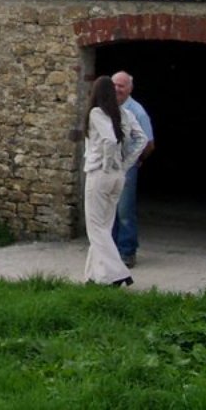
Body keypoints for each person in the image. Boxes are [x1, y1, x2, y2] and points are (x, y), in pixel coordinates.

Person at [83, 75, 147, 286]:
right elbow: (142, 139)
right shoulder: (124, 113)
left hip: (100, 174)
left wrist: (109, 163)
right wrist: (124, 165)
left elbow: (110, 140)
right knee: (104, 226)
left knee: (96, 229)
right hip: (117, 177)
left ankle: (118, 273)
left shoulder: (96, 113)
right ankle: (93, 276)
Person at [111, 70, 155, 268]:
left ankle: (127, 252)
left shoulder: (137, 111)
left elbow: (149, 143)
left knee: (124, 211)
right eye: (114, 85)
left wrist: (135, 160)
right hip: (108, 167)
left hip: (126, 167)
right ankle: (110, 251)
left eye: (121, 85)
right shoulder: (106, 107)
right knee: (109, 209)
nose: (117, 89)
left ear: (130, 88)